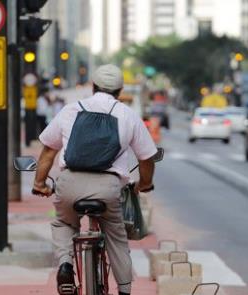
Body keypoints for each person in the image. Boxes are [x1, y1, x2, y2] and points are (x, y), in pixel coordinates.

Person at [33, 64, 157, 295]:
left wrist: (39, 183)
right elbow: (147, 158)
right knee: (116, 237)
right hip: (107, 188)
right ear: (120, 90)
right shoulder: (128, 115)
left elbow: (48, 150)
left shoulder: (71, 109)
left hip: (69, 184)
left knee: (64, 223)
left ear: (93, 86)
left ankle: (65, 265)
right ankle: (124, 290)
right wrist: (145, 183)